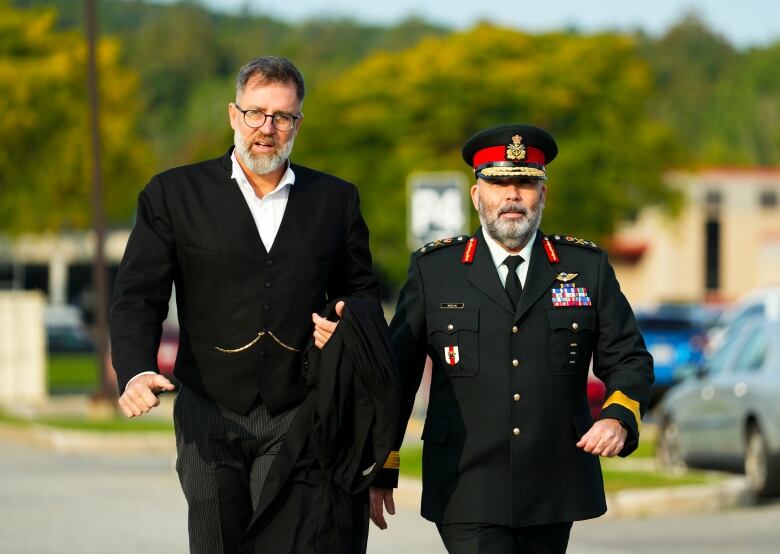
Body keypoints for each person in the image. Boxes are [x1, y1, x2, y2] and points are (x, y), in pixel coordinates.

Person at [110, 56, 390, 553]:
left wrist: (344, 322)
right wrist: (134, 369)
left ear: (298, 123)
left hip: (297, 410)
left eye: (283, 117)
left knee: (291, 542)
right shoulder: (173, 194)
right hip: (208, 412)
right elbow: (138, 296)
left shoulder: (335, 200)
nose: (268, 128)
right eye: (256, 113)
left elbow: (360, 291)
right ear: (233, 115)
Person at [369, 124, 654, 553]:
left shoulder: (585, 267)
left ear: (544, 195)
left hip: (555, 483)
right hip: (466, 483)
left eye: (525, 183)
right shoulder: (436, 271)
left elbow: (629, 357)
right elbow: (396, 377)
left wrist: (618, 417)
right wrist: (382, 467)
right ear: (476, 195)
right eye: (499, 182)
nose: (512, 195)